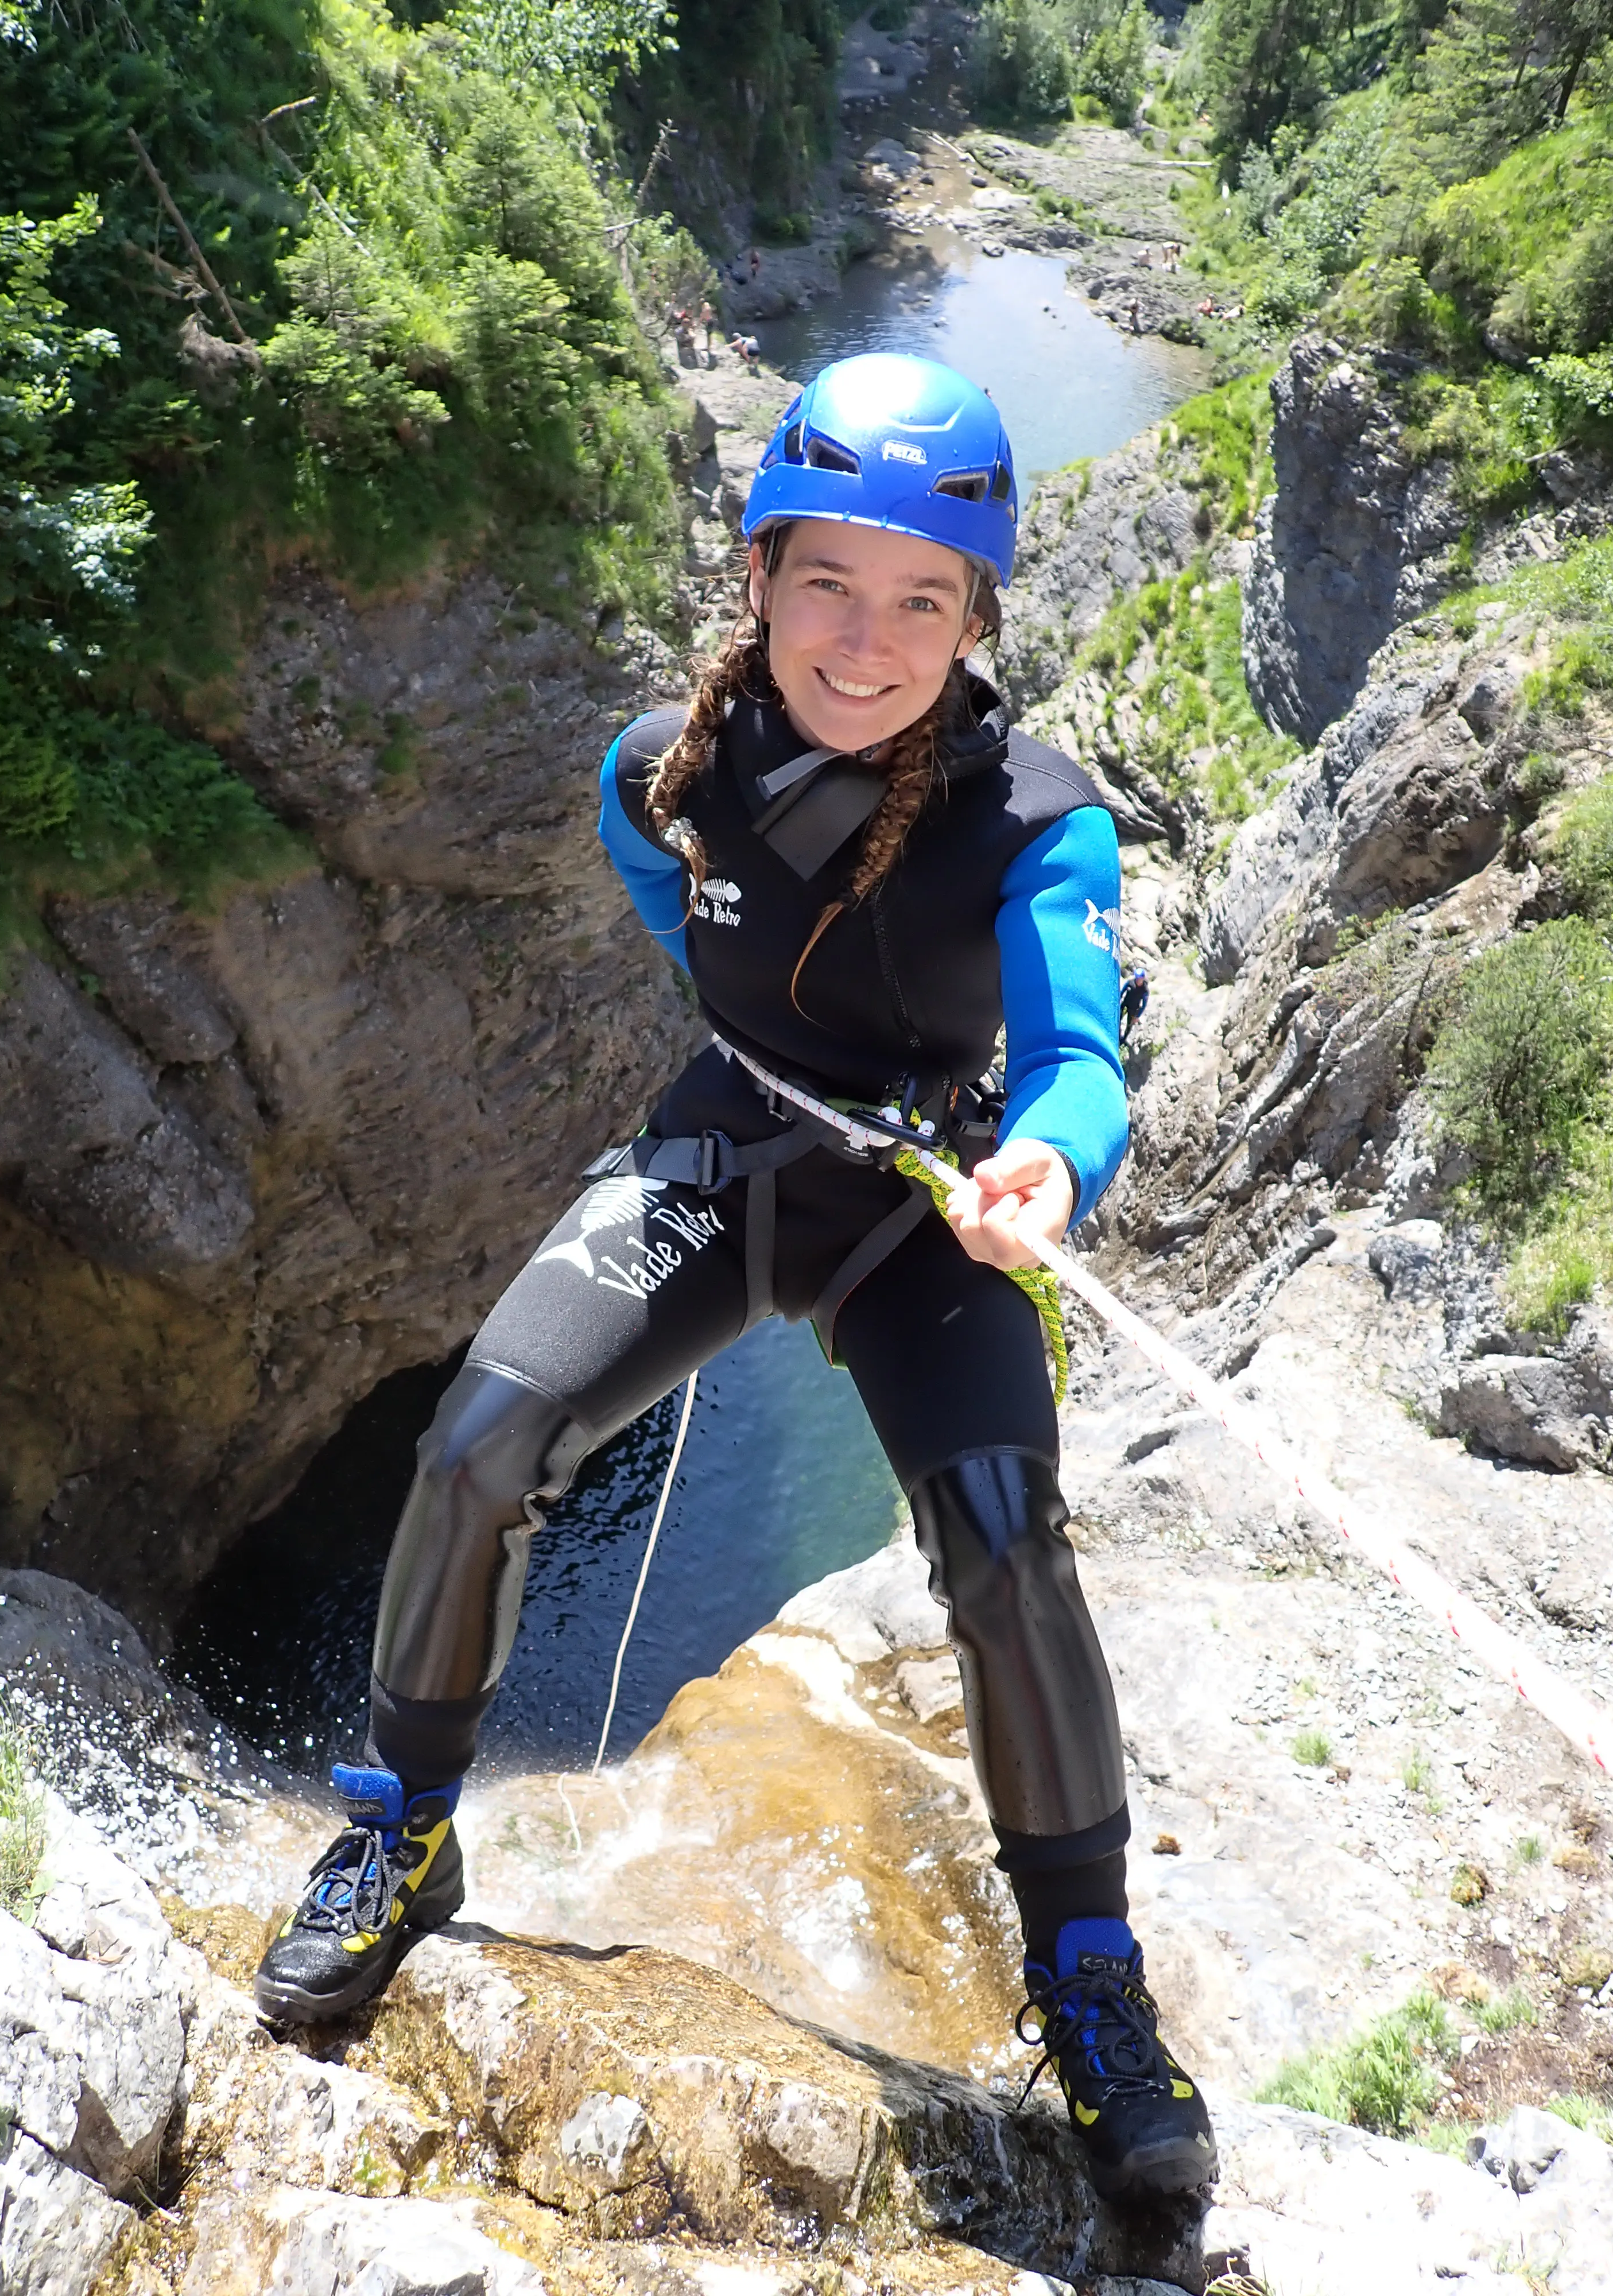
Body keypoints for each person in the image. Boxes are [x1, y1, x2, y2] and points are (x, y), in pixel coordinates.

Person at [251, 353, 1217, 2205]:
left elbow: (1078, 1058)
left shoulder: (1038, 821)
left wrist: (1047, 1163)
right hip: (733, 1150)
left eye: (921, 600)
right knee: (480, 1444)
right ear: (758, 575)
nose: (867, 641)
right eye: (828, 583)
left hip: (927, 1200)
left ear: (975, 618)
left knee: (1005, 1546)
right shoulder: (664, 768)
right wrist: (752, 1029)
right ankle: (402, 1831)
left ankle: (1091, 1975)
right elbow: (672, 896)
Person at [1119, 964, 1149, 1045]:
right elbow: (1122, 992)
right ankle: (1118, 1035)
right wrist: (1118, 1001)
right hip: (1125, 1005)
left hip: (1134, 1009)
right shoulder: (1130, 983)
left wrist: (1137, 1016)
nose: (1139, 981)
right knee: (1118, 1019)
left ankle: (1123, 1040)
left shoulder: (1145, 990)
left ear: (1143, 978)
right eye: (1137, 978)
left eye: (1140, 979)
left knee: (1129, 1025)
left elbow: (1144, 1005)